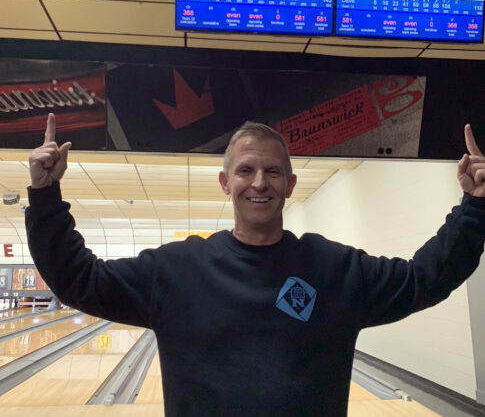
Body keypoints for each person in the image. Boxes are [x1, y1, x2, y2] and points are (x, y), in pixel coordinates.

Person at [26, 113, 484, 417]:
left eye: (272, 171)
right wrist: (45, 196)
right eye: (246, 171)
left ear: (289, 183)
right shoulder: (176, 269)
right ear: (226, 182)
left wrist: (475, 207)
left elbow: (425, 278)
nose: (258, 182)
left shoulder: (334, 269)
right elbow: (79, 280)